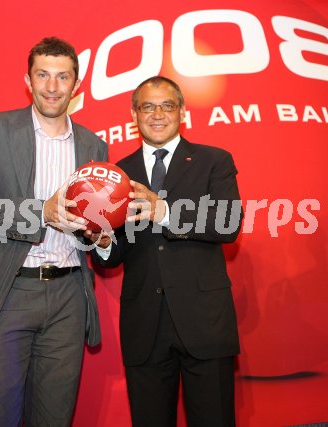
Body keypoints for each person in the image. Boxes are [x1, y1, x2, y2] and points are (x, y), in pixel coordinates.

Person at [0, 37, 107, 427]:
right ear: (28, 79)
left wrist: (102, 235)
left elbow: (95, 221)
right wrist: (41, 212)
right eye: (43, 75)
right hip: (7, 291)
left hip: (69, 295)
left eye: (62, 77)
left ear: (77, 84)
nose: (52, 87)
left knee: (55, 417)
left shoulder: (94, 145)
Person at [89, 76, 243, 427]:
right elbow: (114, 255)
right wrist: (101, 240)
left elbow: (228, 223)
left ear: (182, 112)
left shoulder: (213, 161)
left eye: (167, 105)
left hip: (205, 323)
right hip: (145, 326)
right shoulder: (118, 174)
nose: (157, 114)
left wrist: (166, 211)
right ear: (134, 114)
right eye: (147, 106)